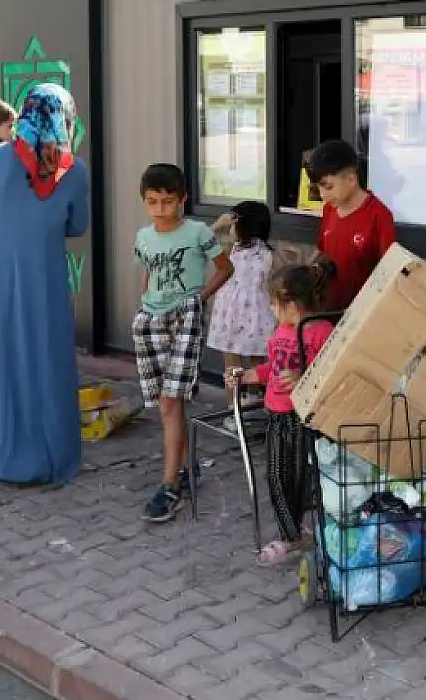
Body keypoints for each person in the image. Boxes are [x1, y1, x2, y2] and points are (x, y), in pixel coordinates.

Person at [0, 84, 91, 485]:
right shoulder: (73, 169)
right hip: (43, 278)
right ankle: (41, 455)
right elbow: (77, 225)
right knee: (42, 360)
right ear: (64, 118)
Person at [133, 163, 233, 523]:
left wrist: (198, 299)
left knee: (169, 403)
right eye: (152, 202)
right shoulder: (143, 236)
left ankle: (169, 485)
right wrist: (144, 299)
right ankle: (187, 471)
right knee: (169, 404)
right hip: (150, 320)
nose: (160, 209)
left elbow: (225, 268)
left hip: (185, 318)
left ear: (183, 199)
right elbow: (148, 268)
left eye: (168, 201)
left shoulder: (198, 232)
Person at [228, 260, 336, 566]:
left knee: (300, 479)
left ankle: (296, 537)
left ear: (292, 304)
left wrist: (303, 380)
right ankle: (293, 536)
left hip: (303, 418)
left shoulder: (320, 332)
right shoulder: (282, 331)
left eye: (274, 304)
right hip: (277, 414)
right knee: (276, 476)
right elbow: (272, 369)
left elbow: (329, 374)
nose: (272, 310)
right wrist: (248, 376)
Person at [305, 140, 395, 310]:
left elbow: (389, 270)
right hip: (326, 310)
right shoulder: (329, 211)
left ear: (351, 180)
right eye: (318, 189)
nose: (323, 195)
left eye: (329, 187)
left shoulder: (379, 215)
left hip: (361, 314)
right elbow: (323, 251)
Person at [205, 200, 277, 377]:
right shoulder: (265, 252)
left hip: (231, 314)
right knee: (258, 362)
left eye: (232, 225)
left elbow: (201, 241)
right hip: (256, 316)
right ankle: (255, 399)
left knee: (233, 365)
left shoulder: (235, 250)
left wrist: (217, 224)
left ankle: (235, 402)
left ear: (241, 225)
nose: (229, 229)